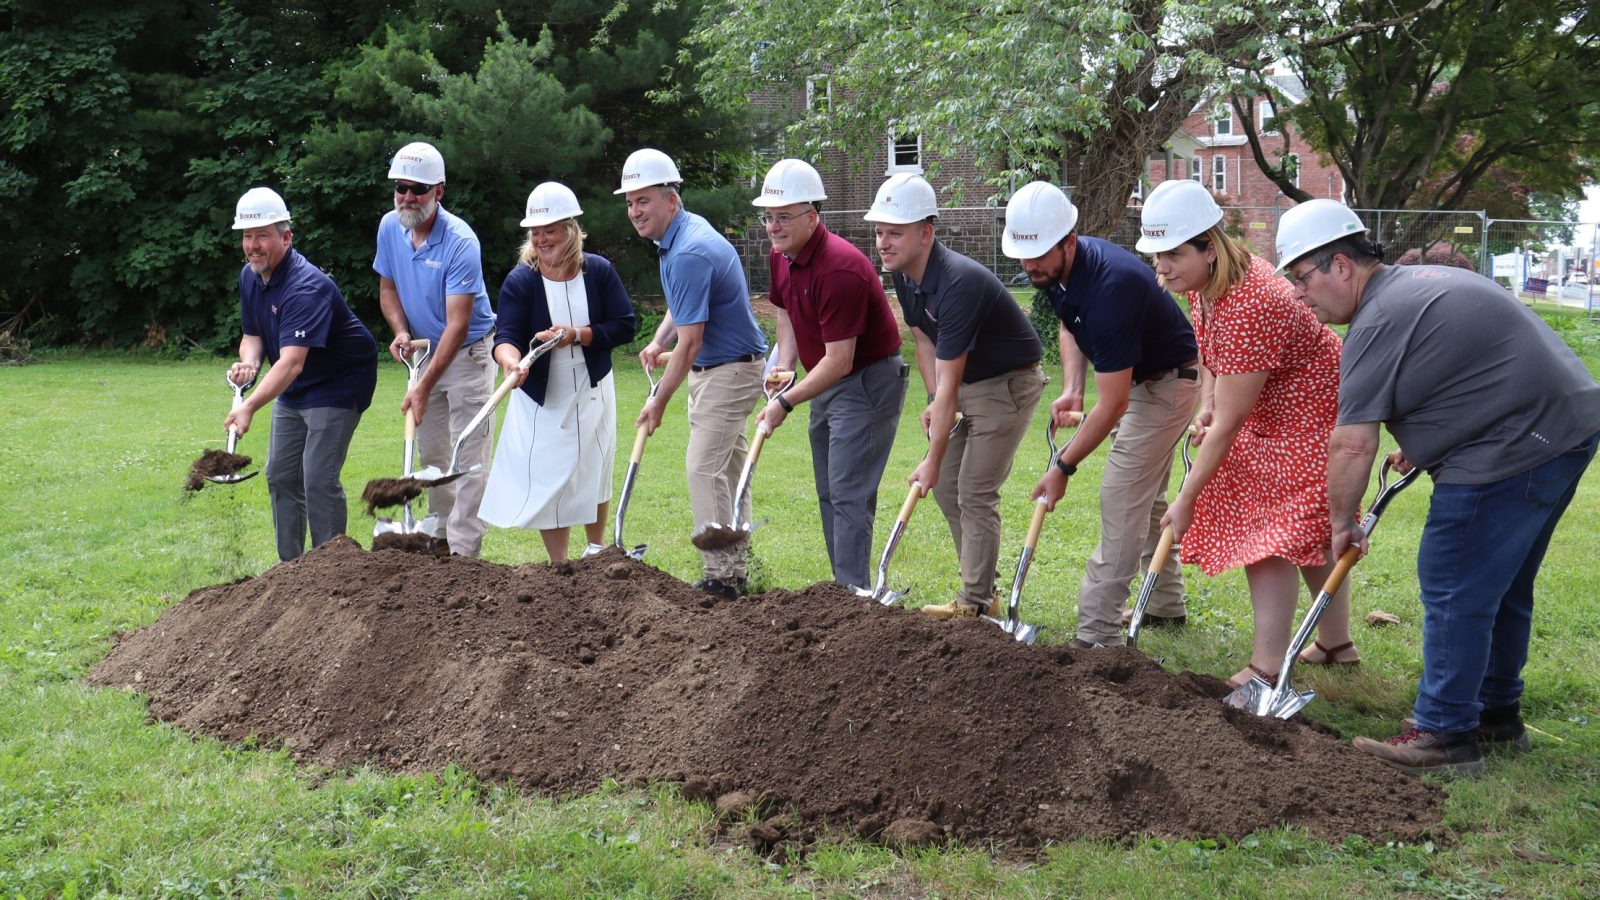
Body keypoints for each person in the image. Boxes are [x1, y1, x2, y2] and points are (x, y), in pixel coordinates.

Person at [1280, 198, 1600, 775]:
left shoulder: (1376, 320)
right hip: (1566, 427)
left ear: (1341, 266)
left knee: (1454, 578)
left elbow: (1352, 444)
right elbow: (1465, 367)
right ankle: (1495, 715)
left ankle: (1446, 733)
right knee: (1502, 583)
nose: (1299, 294)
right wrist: (1433, 437)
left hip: (1516, 444)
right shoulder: (1417, 285)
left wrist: (1340, 524)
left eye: (1302, 278)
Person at [1136, 179, 1350, 688]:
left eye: (1173, 254)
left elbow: (1231, 426)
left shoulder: (1252, 303)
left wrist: (1186, 499)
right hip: (1275, 403)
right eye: (1157, 255)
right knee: (1305, 528)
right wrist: (1208, 401)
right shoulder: (1208, 284)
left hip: (1311, 407)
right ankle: (1336, 645)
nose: (1162, 267)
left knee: (1270, 532)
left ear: (1209, 248)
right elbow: (1211, 350)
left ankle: (1267, 667)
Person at [1003, 181, 1199, 649]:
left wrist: (1063, 466)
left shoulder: (1112, 286)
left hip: (1168, 383)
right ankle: (1165, 603)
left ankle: (1097, 636)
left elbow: (1112, 404)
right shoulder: (1057, 272)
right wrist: (1073, 389)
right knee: (1144, 497)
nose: (1028, 266)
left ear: (1069, 241)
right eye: (1022, 256)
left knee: (1121, 495)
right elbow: (1071, 326)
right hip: (1145, 381)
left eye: (1037, 255)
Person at [872, 173, 1045, 618]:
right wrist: (934, 401)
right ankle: (983, 589)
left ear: (925, 233)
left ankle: (974, 603)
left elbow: (950, 380)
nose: (883, 243)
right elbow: (924, 340)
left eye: (894, 232)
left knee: (974, 490)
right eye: (880, 232)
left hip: (1007, 384)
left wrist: (931, 455)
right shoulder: (905, 275)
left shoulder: (957, 283)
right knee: (949, 488)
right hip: (965, 382)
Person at [751, 160, 908, 589]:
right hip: (825, 380)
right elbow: (785, 312)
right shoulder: (781, 255)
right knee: (829, 490)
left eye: (784, 217)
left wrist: (785, 401)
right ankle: (843, 592)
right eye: (768, 217)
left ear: (812, 216)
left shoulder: (839, 267)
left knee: (848, 493)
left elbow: (840, 360)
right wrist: (785, 364)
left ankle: (852, 595)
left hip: (866, 382)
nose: (774, 226)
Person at [621, 148, 769, 600]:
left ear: (671, 199)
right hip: (727, 366)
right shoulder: (680, 236)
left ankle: (721, 578)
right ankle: (735, 569)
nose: (635, 211)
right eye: (630, 203)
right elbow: (683, 307)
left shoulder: (688, 251)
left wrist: (658, 401)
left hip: (729, 371)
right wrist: (657, 341)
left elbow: (691, 343)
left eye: (643, 200)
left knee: (703, 467)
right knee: (728, 471)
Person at [479, 182, 637, 560]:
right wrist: (510, 361)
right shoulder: (522, 280)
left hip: (593, 385)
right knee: (549, 475)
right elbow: (506, 336)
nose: (541, 239)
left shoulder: (598, 271)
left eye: (549, 230)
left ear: (571, 229)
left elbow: (624, 325)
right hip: (544, 393)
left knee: (595, 465)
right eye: (535, 232)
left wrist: (578, 335)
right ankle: (560, 566)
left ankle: (597, 549)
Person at [226, 187, 378, 562]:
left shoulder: (306, 287)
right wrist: (249, 365)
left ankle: (330, 569)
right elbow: (252, 336)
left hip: (339, 381)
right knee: (280, 474)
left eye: (263, 235)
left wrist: (248, 406)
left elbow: (291, 362)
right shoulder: (250, 277)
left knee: (317, 477)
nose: (253, 245)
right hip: (296, 383)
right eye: (247, 235)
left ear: (286, 237)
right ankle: (291, 571)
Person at [372, 141, 498, 557]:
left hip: (468, 355)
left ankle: (462, 554)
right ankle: (439, 538)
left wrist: (422, 387)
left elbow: (458, 325)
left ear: (438, 192)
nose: (408, 196)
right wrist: (401, 331)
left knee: (467, 455)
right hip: (424, 352)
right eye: (401, 187)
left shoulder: (461, 242)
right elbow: (388, 288)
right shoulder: (390, 227)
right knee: (434, 455)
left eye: (419, 189)